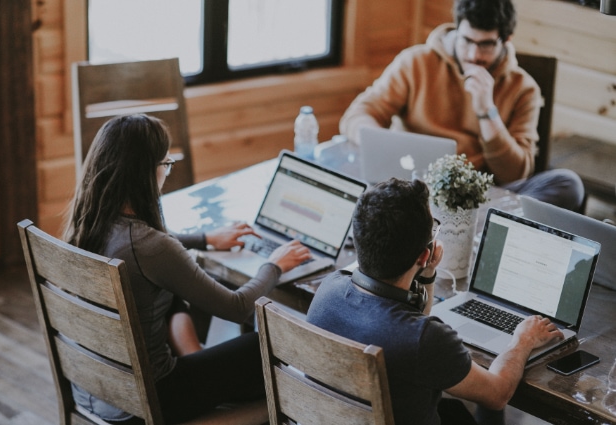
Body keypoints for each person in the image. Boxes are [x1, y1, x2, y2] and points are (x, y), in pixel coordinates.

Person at [63, 114, 312, 424]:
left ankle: (198, 360)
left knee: (170, 294)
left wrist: (205, 239)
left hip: (92, 387)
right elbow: (235, 307)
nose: (167, 172)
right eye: (166, 165)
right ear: (146, 172)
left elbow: (149, 249)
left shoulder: (87, 223)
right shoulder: (150, 247)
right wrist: (274, 264)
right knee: (262, 345)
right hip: (149, 400)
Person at [306, 178, 564, 425]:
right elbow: (497, 394)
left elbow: (411, 324)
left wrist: (427, 274)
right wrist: (523, 340)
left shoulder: (328, 290)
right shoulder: (425, 339)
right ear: (424, 254)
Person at [340, 0, 584, 212]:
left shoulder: (524, 89)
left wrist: (487, 111)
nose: (473, 54)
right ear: (457, 28)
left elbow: (516, 174)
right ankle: (467, 226)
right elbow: (357, 116)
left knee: (568, 184)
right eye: (467, 40)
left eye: (486, 44)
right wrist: (383, 146)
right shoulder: (415, 62)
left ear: (505, 40)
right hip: (412, 186)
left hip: (480, 196)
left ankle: (468, 225)